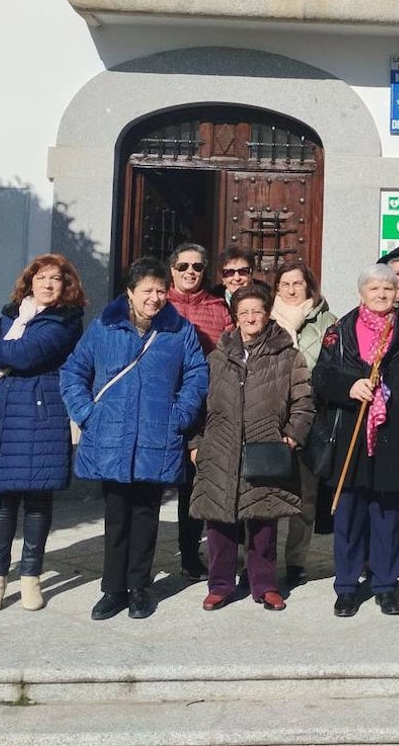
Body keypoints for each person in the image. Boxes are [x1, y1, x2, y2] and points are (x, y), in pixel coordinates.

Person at [61, 257, 208, 621]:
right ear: (130, 292)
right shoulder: (105, 327)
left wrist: (180, 415)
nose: (155, 298)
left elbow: (197, 375)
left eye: (161, 290)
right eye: (147, 290)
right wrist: (87, 414)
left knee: (146, 515)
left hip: (157, 434)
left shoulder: (180, 331)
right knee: (116, 515)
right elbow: (73, 371)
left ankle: (140, 587)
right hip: (111, 434)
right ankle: (113, 589)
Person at [0, 254, 87, 614]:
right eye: (41, 277)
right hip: (2, 413)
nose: (48, 284)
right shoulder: (13, 316)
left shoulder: (65, 321)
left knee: (37, 500)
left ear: (66, 286)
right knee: (2, 501)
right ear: (29, 282)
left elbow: (25, 354)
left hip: (40, 413)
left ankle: (31, 577)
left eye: (56, 279)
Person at [312, 264, 399, 618]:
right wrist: (349, 386)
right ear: (361, 293)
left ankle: (385, 585)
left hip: (395, 436)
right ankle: (348, 586)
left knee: (388, 516)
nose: (382, 294)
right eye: (374, 288)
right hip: (350, 435)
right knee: (349, 514)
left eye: (388, 288)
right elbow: (321, 378)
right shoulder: (339, 332)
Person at [189, 285, 314, 612]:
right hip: (220, 448)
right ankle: (220, 584)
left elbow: (303, 402)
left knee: (263, 522)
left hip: (266, 446)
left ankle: (265, 584)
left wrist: (291, 436)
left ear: (267, 312)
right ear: (235, 316)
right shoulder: (217, 356)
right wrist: (196, 444)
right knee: (219, 522)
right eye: (243, 312)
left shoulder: (287, 355)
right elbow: (198, 405)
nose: (250, 318)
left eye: (256, 311)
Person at [165, 242, 233, 582]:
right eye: (183, 266)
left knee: (193, 486)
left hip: (203, 406)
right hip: (161, 406)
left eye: (197, 267)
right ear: (172, 269)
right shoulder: (158, 302)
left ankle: (191, 553)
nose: (190, 272)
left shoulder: (218, 308)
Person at [270, 260, 338, 586]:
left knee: (305, 498)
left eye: (298, 283)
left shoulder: (328, 322)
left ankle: (296, 561)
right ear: (277, 289)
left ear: (309, 286)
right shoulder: (266, 321)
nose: (292, 290)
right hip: (269, 420)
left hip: (311, 419)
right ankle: (257, 558)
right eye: (285, 284)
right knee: (264, 492)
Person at [209, 246, 256, 310]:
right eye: (229, 272)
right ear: (222, 277)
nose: (237, 278)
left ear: (251, 274)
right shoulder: (212, 300)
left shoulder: (267, 297)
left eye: (243, 271)